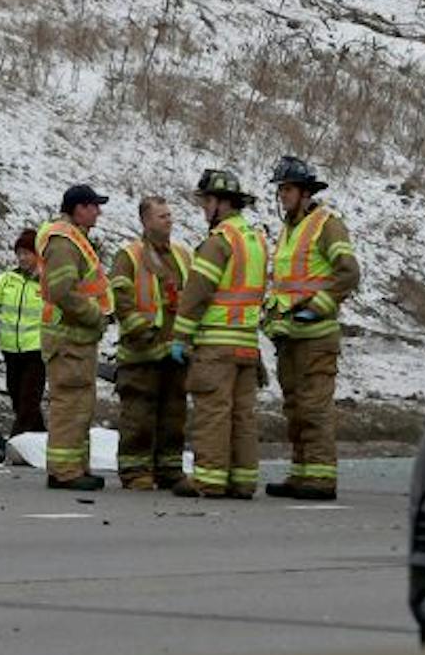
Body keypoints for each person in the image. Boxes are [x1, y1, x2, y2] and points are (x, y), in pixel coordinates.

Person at [263, 156, 361, 501]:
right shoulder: (289, 229)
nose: (282, 196)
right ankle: (302, 471)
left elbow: (348, 272)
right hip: (290, 337)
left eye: (287, 189)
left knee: (315, 406)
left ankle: (320, 478)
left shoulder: (327, 224)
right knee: (294, 407)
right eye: (281, 190)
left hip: (316, 337)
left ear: (305, 193)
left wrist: (318, 307)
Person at [169, 170, 268, 500]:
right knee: (243, 416)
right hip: (246, 345)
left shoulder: (219, 241)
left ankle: (208, 480)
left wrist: (180, 337)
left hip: (215, 345)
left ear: (220, 204)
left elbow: (197, 293)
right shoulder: (254, 240)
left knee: (213, 412)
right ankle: (242, 481)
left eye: (207, 201)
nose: (203, 208)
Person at [109, 196, 193, 490]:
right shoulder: (128, 256)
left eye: (170, 215)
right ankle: (135, 472)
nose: (168, 221)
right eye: (161, 216)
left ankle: (170, 470)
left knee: (174, 416)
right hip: (140, 354)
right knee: (138, 416)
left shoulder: (182, 255)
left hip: (174, 352)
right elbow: (121, 299)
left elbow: (192, 297)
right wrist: (143, 333)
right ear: (145, 222)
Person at [36, 184, 113, 491]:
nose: (99, 212)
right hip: (68, 338)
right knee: (70, 404)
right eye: (94, 206)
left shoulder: (74, 240)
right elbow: (62, 291)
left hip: (77, 339)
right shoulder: (64, 242)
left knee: (80, 404)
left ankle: (75, 467)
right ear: (79, 208)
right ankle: (64, 471)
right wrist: (95, 314)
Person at [0, 233, 46, 435]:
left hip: (37, 351)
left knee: (29, 399)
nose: (22, 258)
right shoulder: (6, 280)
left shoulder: (48, 283)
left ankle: (17, 439)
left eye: (27, 253)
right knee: (17, 397)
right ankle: (40, 438)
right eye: (19, 253)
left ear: (38, 254)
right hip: (11, 350)